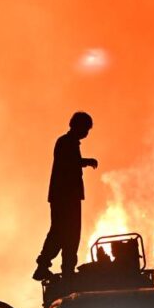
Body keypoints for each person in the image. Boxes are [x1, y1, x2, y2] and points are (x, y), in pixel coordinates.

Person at [33, 111, 98, 280]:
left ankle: (65, 268)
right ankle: (46, 265)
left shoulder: (69, 143)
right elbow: (69, 164)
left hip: (67, 196)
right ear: (78, 126)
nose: (86, 133)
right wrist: (87, 161)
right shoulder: (65, 143)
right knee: (63, 232)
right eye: (86, 129)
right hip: (65, 197)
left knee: (68, 234)